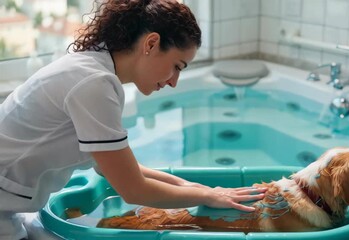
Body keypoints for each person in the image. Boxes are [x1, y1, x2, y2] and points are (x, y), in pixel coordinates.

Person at [0, 0, 267, 239]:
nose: (174, 82)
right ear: (151, 43)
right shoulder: (94, 83)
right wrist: (208, 195)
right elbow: (133, 190)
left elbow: (114, 169)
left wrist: (193, 186)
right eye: (177, 66)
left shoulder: (94, 70)